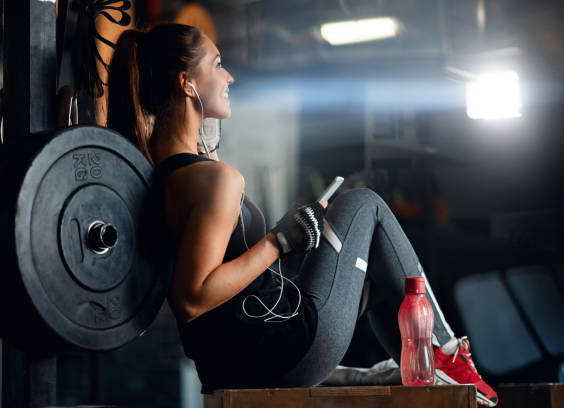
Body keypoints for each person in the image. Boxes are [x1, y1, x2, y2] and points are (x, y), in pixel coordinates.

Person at [105, 23, 498, 407]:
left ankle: (422, 374)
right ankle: (448, 357)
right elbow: (191, 300)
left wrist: (286, 238)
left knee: (373, 265)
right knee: (363, 204)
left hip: (233, 364)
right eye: (218, 63)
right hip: (282, 350)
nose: (230, 76)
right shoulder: (216, 180)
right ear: (186, 83)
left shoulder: (162, 177)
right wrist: (279, 241)